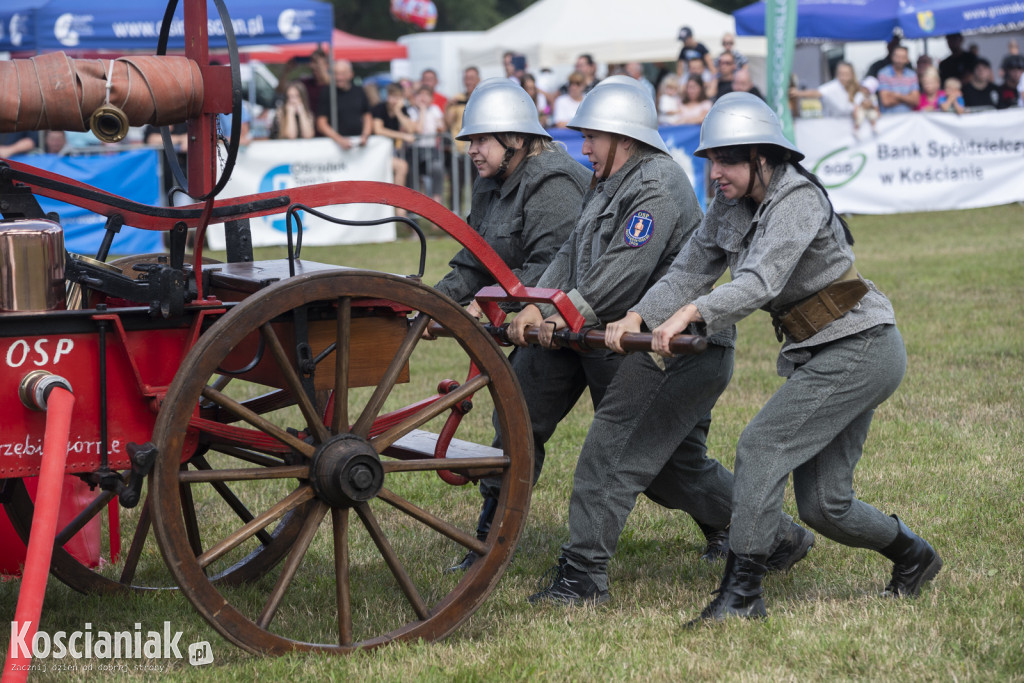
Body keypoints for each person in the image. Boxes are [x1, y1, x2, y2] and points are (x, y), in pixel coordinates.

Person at [606, 92, 941, 623]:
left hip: (862, 346)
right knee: (825, 506)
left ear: (763, 158)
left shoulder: (799, 199)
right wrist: (640, 314)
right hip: (823, 352)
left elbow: (761, 281)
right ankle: (915, 557)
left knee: (761, 447)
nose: (716, 172)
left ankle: (741, 596)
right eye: (711, 160)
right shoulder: (729, 204)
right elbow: (691, 266)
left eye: (728, 160)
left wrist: (693, 312)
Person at [524, 83, 812, 606]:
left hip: (683, 350)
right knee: (671, 471)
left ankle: (582, 577)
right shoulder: (608, 182)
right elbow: (580, 252)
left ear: (622, 138)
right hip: (648, 338)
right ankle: (779, 537)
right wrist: (540, 303)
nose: (583, 149)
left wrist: (585, 313)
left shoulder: (656, 185)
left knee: (610, 449)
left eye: (591, 137)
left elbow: (624, 270)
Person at [432, 78, 592, 571]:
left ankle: (733, 529)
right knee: (516, 417)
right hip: (539, 327)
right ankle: (493, 534)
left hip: (584, 322)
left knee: (665, 463)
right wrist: (430, 303)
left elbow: (554, 265)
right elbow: (473, 262)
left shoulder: (554, 181)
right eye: (471, 141)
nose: (473, 151)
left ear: (517, 140)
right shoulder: (490, 184)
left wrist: (490, 302)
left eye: (482, 139)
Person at [370, 82, 416, 208]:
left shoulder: (402, 109)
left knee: (401, 168)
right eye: (392, 96)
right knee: (402, 167)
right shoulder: (379, 108)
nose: (394, 100)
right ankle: (398, 207)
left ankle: (398, 206)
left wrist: (398, 112)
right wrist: (402, 136)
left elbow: (411, 129)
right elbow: (378, 130)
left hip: (390, 152)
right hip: (374, 153)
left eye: (398, 97)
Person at [315, 59, 372, 150]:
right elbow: (321, 123)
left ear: (351, 74)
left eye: (342, 74)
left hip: (358, 144)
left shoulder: (359, 91)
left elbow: (367, 115)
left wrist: (365, 135)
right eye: (336, 74)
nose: (339, 78)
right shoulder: (327, 92)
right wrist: (339, 139)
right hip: (335, 145)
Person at [408, 85, 446, 203]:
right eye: (420, 94)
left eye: (426, 95)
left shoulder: (435, 109)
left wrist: (439, 126)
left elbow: (442, 127)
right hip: (415, 150)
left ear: (431, 98)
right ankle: (413, 209)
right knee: (413, 179)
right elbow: (418, 130)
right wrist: (422, 110)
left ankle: (436, 200)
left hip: (431, 149)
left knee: (437, 169)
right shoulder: (411, 111)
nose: (423, 97)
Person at [277, 48, 331, 115]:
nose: (312, 66)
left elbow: (330, 83)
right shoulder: (305, 82)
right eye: (312, 61)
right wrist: (286, 71)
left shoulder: (332, 85)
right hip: (308, 123)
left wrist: (321, 66)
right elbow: (280, 89)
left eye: (316, 62)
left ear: (327, 65)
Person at [877, 46, 919, 114]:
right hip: (888, 118)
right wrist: (907, 98)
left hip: (908, 119)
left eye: (903, 57)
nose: (899, 60)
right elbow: (886, 101)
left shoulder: (912, 75)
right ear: (892, 57)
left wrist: (897, 95)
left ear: (907, 59)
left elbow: (915, 101)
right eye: (897, 57)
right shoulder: (883, 74)